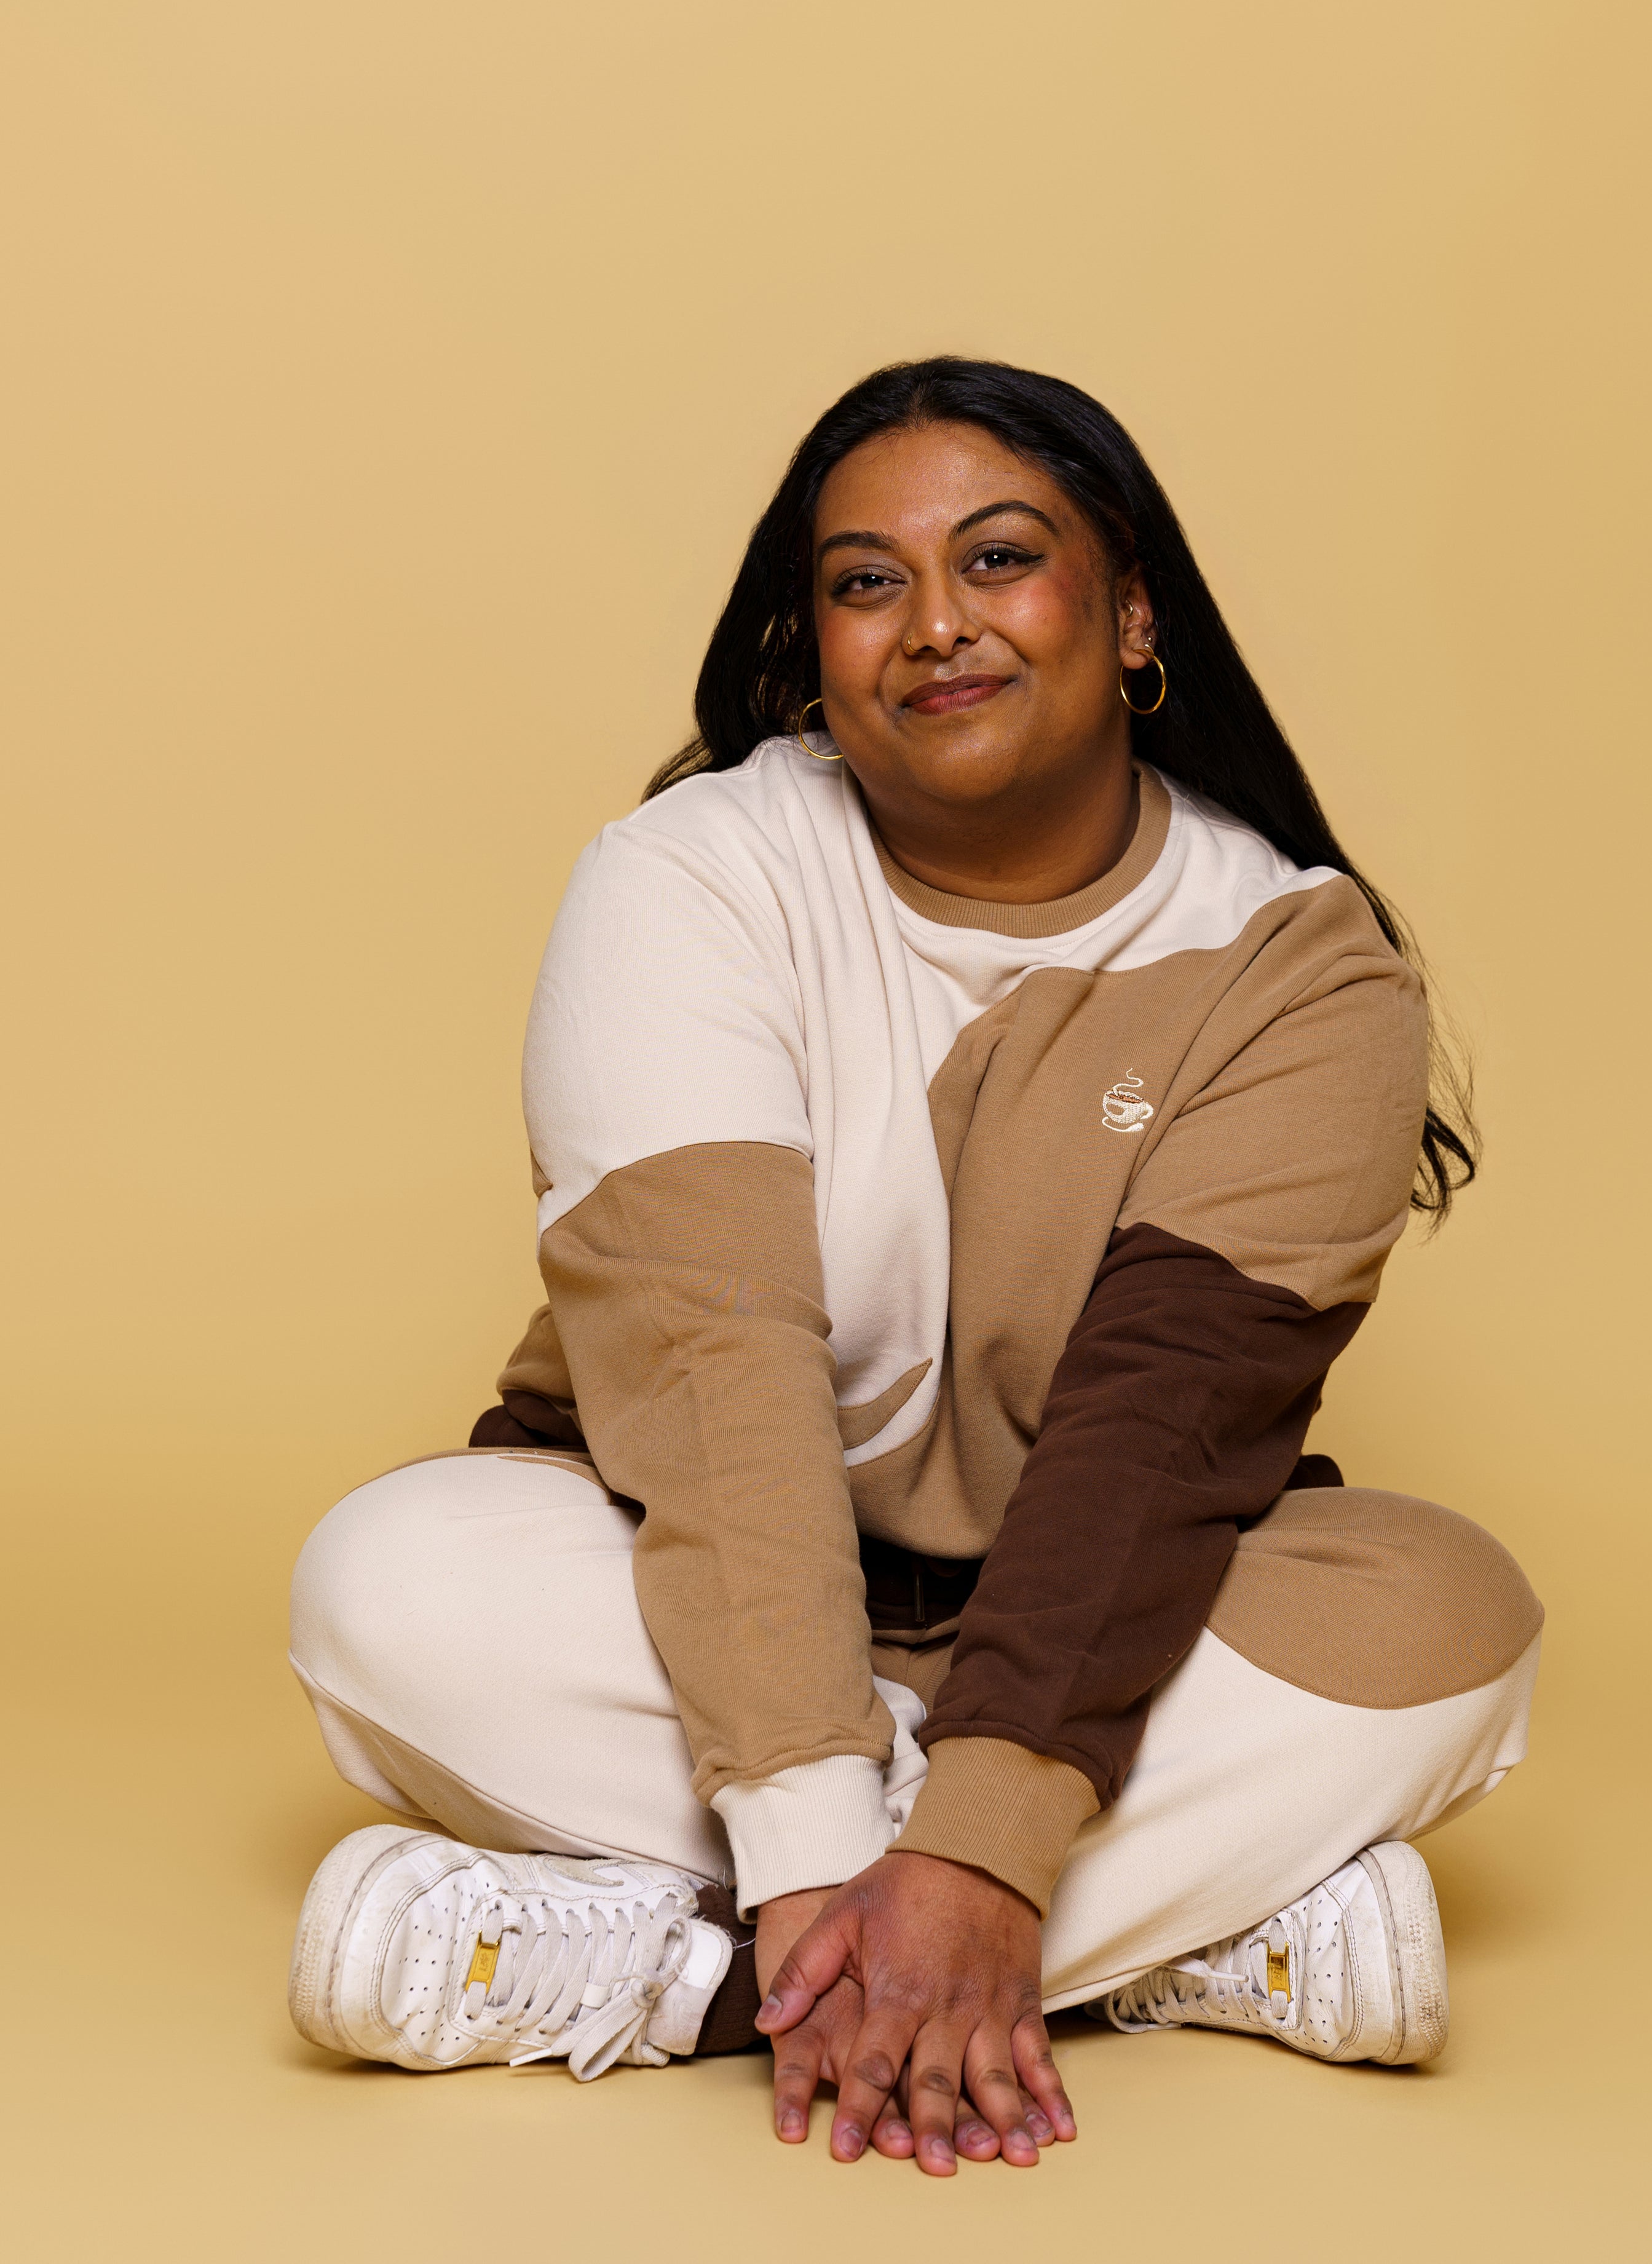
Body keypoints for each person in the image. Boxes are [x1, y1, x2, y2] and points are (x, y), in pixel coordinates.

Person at [287, 358, 1541, 2175]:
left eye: (1003, 559)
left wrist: (977, 1843)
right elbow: (716, 1380)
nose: (934, 624)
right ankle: (1179, 1939)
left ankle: (665, 1976)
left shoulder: (1299, 968)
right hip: (696, 1577)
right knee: (388, 1586)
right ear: (812, 650)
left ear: (1130, 614)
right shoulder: (692, 876)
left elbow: (1162, 1440)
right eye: (867, 582)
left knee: (1450, 1622)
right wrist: (826, 1844)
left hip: (1099, 1613)